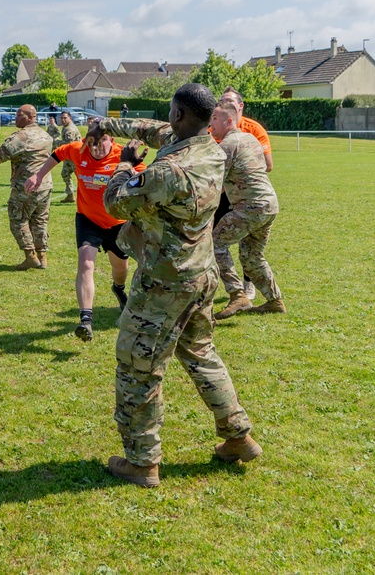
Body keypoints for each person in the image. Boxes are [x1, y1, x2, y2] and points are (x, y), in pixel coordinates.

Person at [86, 82, 261, 488]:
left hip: (166, 282)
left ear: (179, 115)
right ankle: (238, 436)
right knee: (201, 355)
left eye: (170, 112)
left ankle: (142, 462)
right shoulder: (211, 148)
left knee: (137, 366)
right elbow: (154, 131)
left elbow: (115, 202)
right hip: (201, 275)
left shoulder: (168, 171)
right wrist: (106, 123)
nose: (166, 119)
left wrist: (126, 164)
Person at [24, 129, 144, 341]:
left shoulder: (121, 155)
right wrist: (39, 175)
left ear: (112, 140)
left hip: (118, 222)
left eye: (102, 141)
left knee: (120, 269)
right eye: (91, 142)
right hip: (88, 219)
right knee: (86, 263)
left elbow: (144, 176)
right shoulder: (77, 150)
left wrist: (134, 176)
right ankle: (86, 321)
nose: (96, 147)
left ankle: (118, 288)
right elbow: (57, 154)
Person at [209, 102, 285, 319]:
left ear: (229, 121)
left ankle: (237, 295)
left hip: (250, 206)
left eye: (215, 118)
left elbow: (214, 183)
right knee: (252, 255)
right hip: (269, 204)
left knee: (215, 243)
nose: (211, 123)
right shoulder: (250, 139)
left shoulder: (227, 146)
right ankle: (274, 300)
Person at [217, 86, 274, 301]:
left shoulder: (253, 129)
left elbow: (268, 165)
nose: (225, 105)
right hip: (223, 193)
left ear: (239, 107)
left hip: (244, 194)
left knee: (246, 244)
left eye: (229, 103)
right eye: (222, 101)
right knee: (215, 237)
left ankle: (245, 287)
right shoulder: (215, 127)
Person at [0, 104, 53, 270]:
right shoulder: (46, 135)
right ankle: (42, 257)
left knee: (18, 219)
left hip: (26, 186)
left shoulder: (22, 136)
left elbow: (0, 156)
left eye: (19, 115)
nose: (16, 118)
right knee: (40, 221)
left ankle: (30, 256)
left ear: (30, 117)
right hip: (45, 186)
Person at [57, 111, 82, 203]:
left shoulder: (69, 129)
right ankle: (70, 194)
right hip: (69, 157)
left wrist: (56, 142)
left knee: (81, 177)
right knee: (65, 173)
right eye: (61, 118)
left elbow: (69, 144)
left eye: (65, 118)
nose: (63, 120)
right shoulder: (66, 128)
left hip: (75, 157)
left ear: (70, 118)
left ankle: (84, 196)